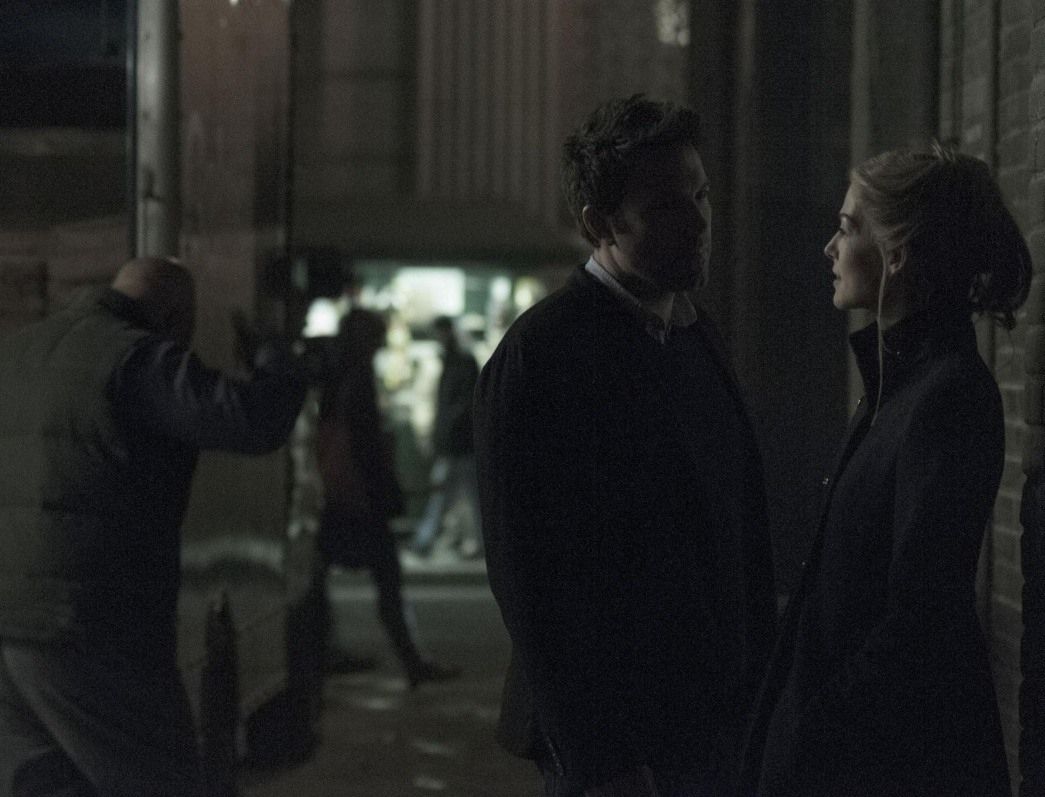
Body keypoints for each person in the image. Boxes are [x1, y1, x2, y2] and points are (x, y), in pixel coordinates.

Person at [474, 94, 776, 797]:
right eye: (667, 206)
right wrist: (603, 759)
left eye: (701, 195)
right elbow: (532, 581)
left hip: (712, 729)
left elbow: (737, 532)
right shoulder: (543, 355)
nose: (698, 220)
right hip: (619, 749)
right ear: (598, 224)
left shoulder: (695, 336)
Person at [742, 144, 1031, 797]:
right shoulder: (894, 388)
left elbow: (918, 621)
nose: (829, 248)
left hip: (883, 765)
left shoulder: (948, 397)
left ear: (896, 254)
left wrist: (808, 734)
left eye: (848, 228)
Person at [0, 257, 307, 796]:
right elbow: (251, 420)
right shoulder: (135, 359)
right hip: (92, 627)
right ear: (172, 316)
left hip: (9, 626)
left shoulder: (16, 353)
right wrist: (274, 359)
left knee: (47, 784)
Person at [314, 306, 459, 688]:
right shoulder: (357, 377)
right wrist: (384, 490)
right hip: (359, 497)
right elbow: (364, 444)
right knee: (386, 578)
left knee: (318, 573)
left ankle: (327, 651)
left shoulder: (333, 373)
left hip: (337, 493)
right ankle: (410, 661)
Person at [412, 315, 482, 559]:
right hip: (459, 442)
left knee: (446, 494)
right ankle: (428, 539)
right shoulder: (458, 361)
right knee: (466, 496)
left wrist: (443, 432)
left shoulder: (457, 362)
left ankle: (425, 540)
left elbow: (457, 405)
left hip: (457, 442)